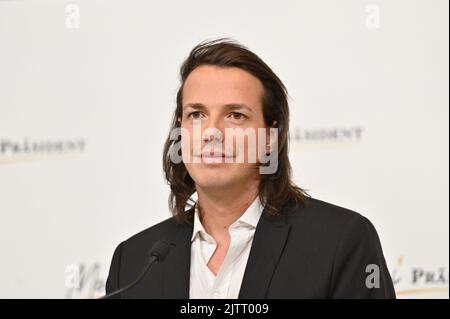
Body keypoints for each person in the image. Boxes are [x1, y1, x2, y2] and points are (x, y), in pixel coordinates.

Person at [105, 39, 396, 299]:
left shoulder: (340, 242)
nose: (212, 132)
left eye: (235, 115)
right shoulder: (131, 262)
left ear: (270, 137)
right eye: (196, 114)